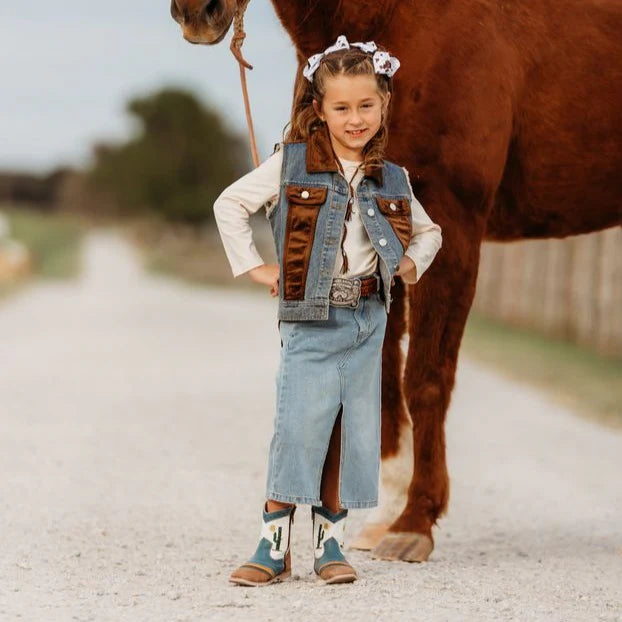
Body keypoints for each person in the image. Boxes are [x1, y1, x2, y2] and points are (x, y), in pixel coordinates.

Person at [212, 34, 442, 586]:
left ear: (384, 105)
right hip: (310, 319)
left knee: (348, 429)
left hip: (368, 320)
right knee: (298, 426)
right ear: (320, 110)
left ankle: (329, 545)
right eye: (342, 107)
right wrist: (257, 268)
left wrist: (408, 266)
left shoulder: (393, 178)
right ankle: (272, 545)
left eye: (366, 105)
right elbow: (231, 204)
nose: (355, 118)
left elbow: (429, 232)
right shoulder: (291, 165)